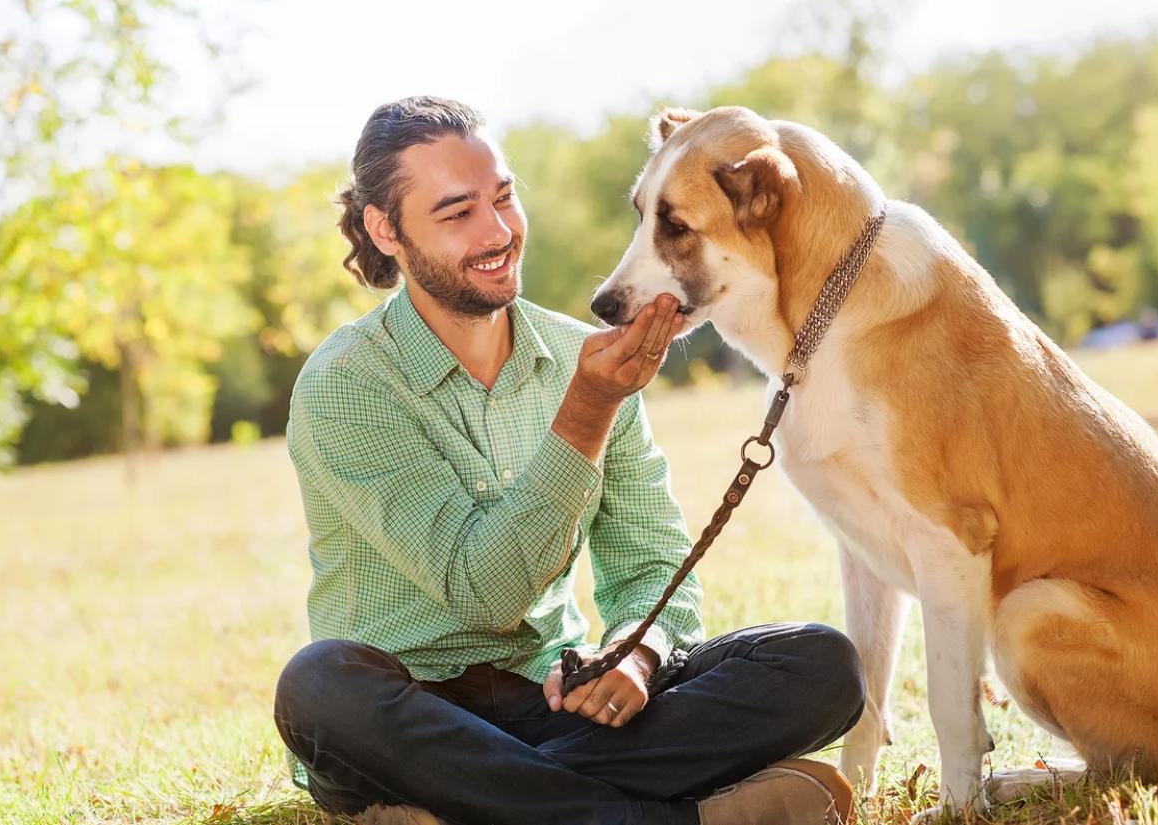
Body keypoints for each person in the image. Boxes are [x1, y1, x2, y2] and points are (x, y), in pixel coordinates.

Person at [273, 96, 866, 825]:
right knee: (320, 684)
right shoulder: (349, 383)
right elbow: (482, 594)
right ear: (384, 229)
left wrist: (635, 651)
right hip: (409, 718)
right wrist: (585, 410)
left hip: (555, 705)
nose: (498, 232)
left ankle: (471, 807)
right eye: (457, 214)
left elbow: (652, 563)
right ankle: (662, 817)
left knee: (820, 666)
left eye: (504, 198)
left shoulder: (581, 355)